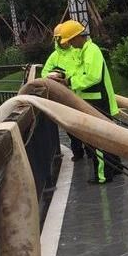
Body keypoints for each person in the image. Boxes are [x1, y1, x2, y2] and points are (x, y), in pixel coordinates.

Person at [57, 20, 123, 184]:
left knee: (96, 140)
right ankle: (115, 168)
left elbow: (93, 77)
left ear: (79, 37)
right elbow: (78, 72)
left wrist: (70, 82)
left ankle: (102, 175)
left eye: (71, 40)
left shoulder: (91, 51)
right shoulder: (83, 51)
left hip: (96, 102)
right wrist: (65, 77)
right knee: (107, 136)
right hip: (92, 101)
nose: (70, 44)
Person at [42, 23, 85, 161]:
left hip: (81, 94)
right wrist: (55, 75)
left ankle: (92, 152)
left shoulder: (78, 50)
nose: (64, 42)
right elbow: (44, 74)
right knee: (71, 127)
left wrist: (68, 78)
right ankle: (77, 152)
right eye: (60, 39)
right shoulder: (54, 57)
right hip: (64, 98)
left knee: (86, 126)